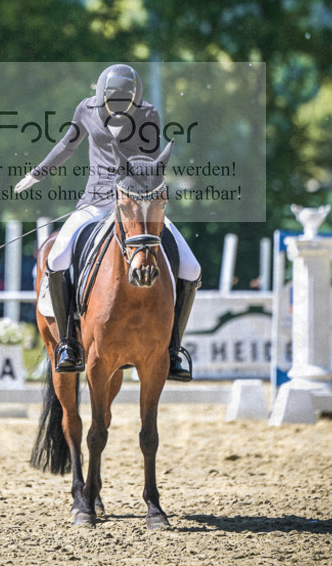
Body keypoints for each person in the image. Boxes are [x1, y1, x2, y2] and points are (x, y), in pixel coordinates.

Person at [14, 63, 201, 379]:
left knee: (191, 267)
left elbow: (151, 160)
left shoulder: (148, 114)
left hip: (136, 204)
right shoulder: (86, 110)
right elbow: (67, 145)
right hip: (95, 202)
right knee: (57, 258)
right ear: (102, 95)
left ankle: (173, 349)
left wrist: (137, 186)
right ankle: (69, 344)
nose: (121, 105)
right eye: (115, 98)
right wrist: (37, 173)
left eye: (127, 100)